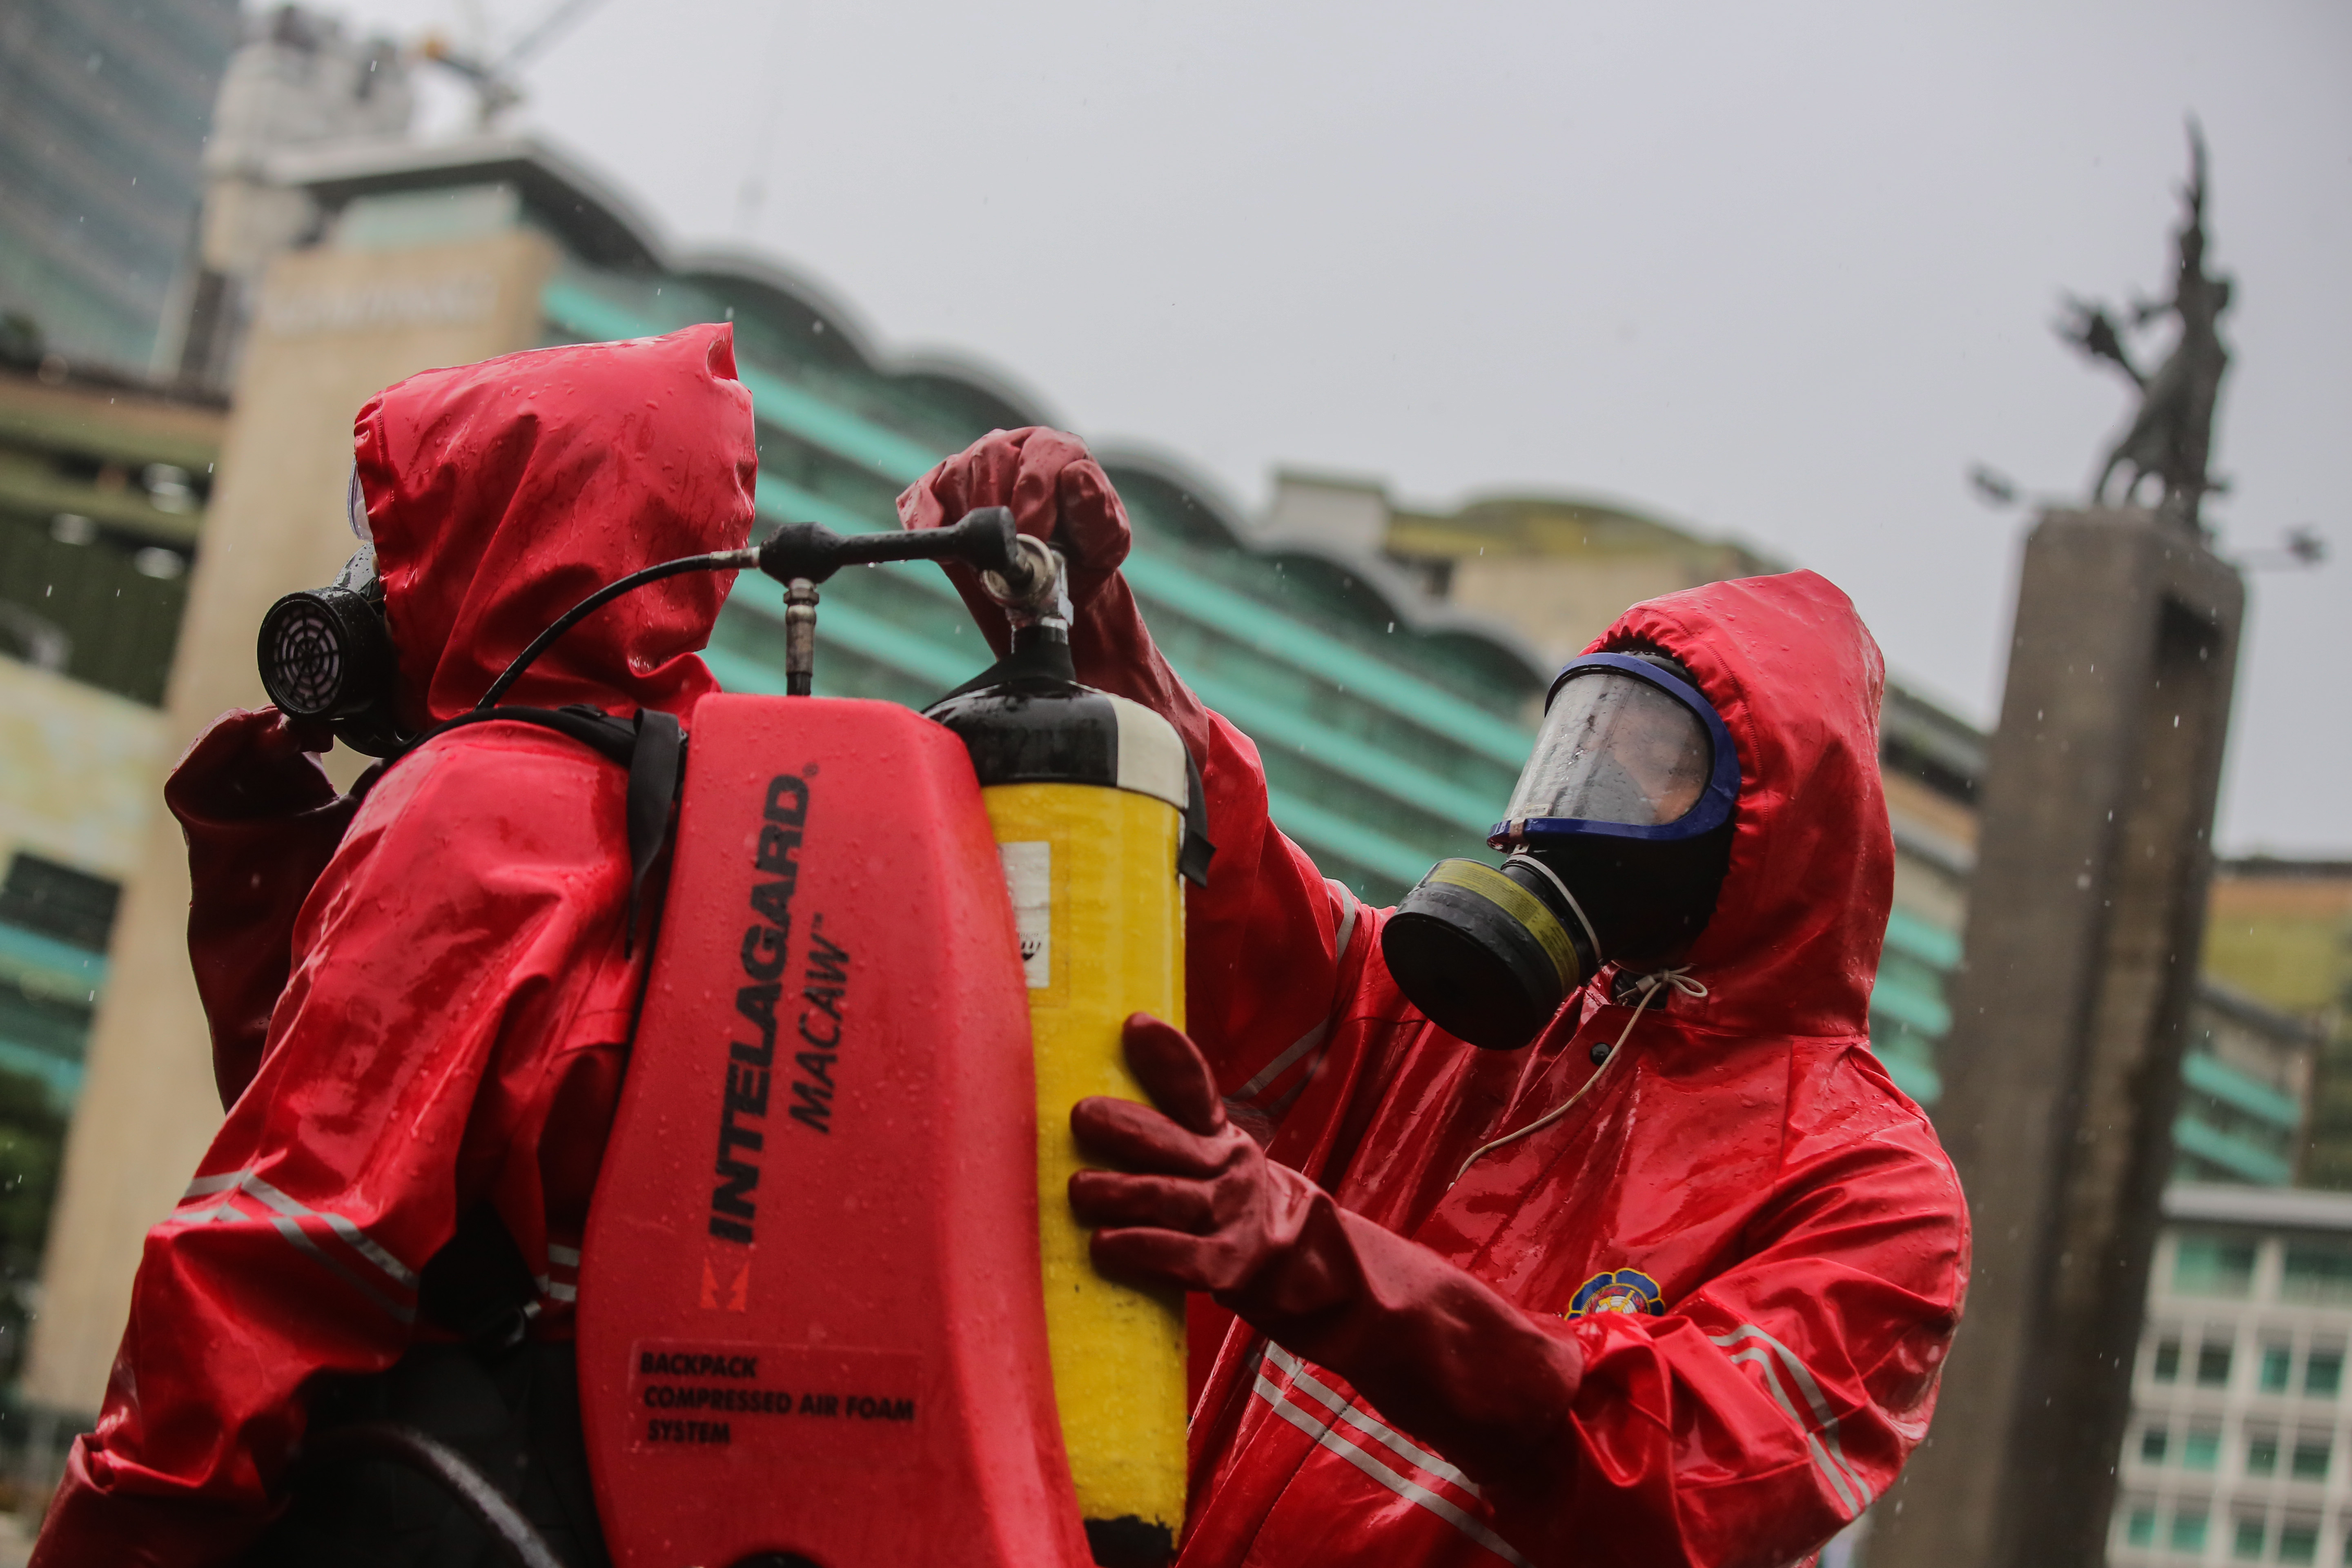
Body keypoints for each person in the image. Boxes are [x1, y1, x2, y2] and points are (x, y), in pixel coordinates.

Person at [900, 427, 1970, 1568]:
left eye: (1654, 765)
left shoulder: (1871, 1195)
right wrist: (1077, 615)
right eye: (1579, 746)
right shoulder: (1452, 1024)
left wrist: (1314, 1263)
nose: (1581, 800)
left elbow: (1677, 1476)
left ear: (1780, 827)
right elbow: (1231, 888)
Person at [31, 323, 759, 1567]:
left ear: (500, 540)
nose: (367, 584)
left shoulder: (479, 806)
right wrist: (270, 837)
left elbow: (285, 1249)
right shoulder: (722, 812)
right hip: (633, 1498)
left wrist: (112, 1538)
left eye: (392, 537)